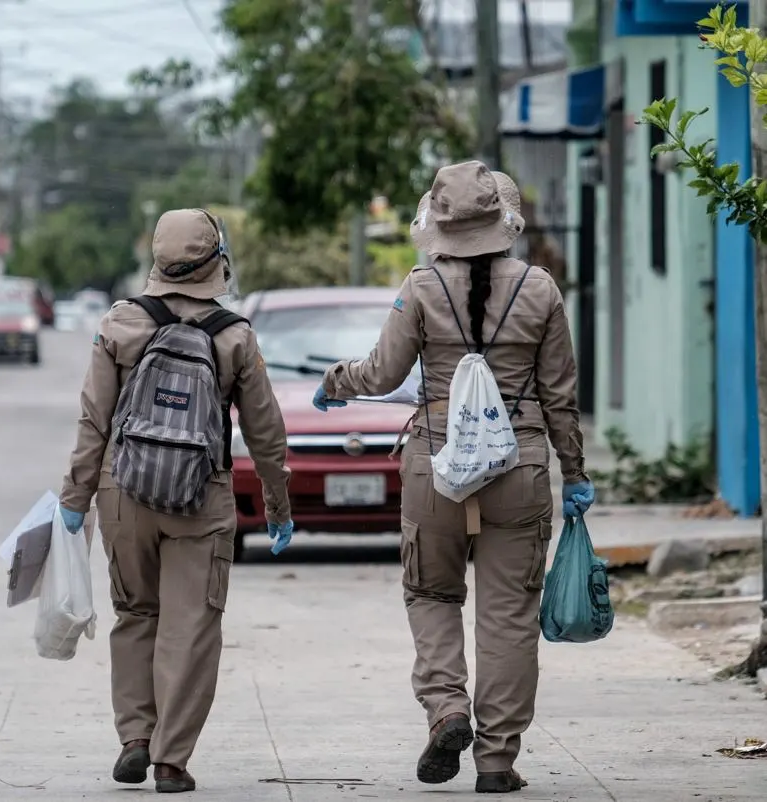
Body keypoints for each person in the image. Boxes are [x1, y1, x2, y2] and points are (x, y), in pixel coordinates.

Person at [312, 161, 594, 794]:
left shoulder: (418, 287)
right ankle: (496, 762)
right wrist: (573, 474)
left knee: (432, 595)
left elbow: (382, 375)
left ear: (438, 224)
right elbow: (561, 398)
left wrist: (336, 383)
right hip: (518, 468)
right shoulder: (542, 290)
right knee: (508, 617)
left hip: (432, 466)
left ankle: (446, 709)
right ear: (503, 220)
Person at [58, 208, 293, 794]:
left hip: (124, 491)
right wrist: (277, 506)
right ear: (217, 259)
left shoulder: (119, 324)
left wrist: (75, 498)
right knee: (191, 625)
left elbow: (94, 420)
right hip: (200, 497)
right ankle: (170, 759)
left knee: (136, 614)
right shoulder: (235, 335)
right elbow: (266, 433)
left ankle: (135, 737)